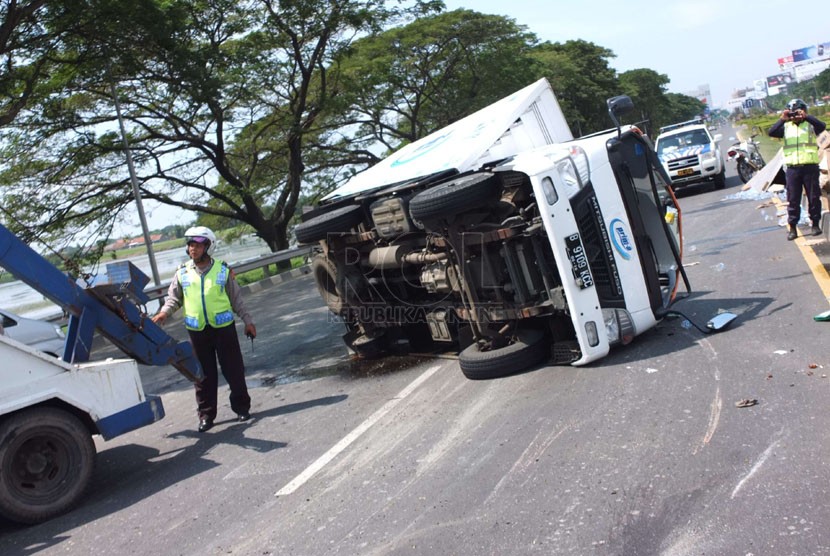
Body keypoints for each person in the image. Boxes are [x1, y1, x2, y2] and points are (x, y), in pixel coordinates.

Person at [152, 226, 256, 432]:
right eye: (190, 245)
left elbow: (237, 300)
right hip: (197, 331)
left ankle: (242, 408)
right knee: (202, 375)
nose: (193, 249)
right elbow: (174, 299)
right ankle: (206, 415)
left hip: (223, 328)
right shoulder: (182, 273)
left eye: (198, 245)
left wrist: (248, 321)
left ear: (209, 247)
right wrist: (164, 313)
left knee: (233, 370)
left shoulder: (223, 270)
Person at [768, 98, 827, 241]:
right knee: (793, 199)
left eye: (798, 112)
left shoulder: (810, 126)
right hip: (792, 169)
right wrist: (782, 119)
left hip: (810, 167)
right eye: (792, 113)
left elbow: (822, 126)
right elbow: (771, 132)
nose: (795, 116)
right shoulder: (786, 127)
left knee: (813, 198)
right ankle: (793, 228)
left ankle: (815, 225)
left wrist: (807, 116)